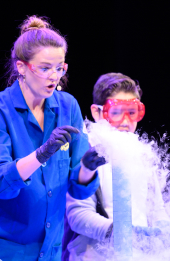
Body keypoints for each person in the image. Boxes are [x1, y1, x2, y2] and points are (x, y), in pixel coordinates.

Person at [0, 15, 105, 261]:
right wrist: (41, 154)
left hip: (48, 250)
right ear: (21, 67)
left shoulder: (67, 106)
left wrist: (87, 167)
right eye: (45, 68)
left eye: (60, 68)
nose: (54, 76)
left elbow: (78, 188)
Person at [63, 73, 170, 260]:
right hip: (95, 255)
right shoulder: (88, 153)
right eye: (116, 112)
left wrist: (162, 230)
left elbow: (156, 207)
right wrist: (118, 233)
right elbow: (77, 215)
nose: (126, 122)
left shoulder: (141, 152)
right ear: (97, 113)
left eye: (132, 112)